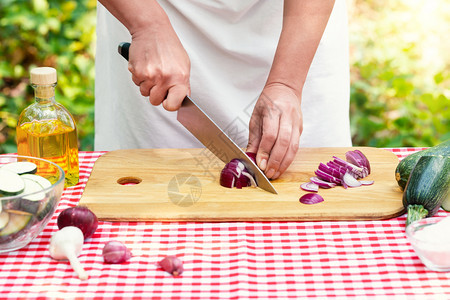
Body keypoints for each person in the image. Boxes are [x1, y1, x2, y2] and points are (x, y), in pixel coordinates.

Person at [95, 0, 352, 180]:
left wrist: (286, 84)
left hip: (298, 33)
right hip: (145, 16)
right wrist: (147, 25)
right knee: (151, 185)